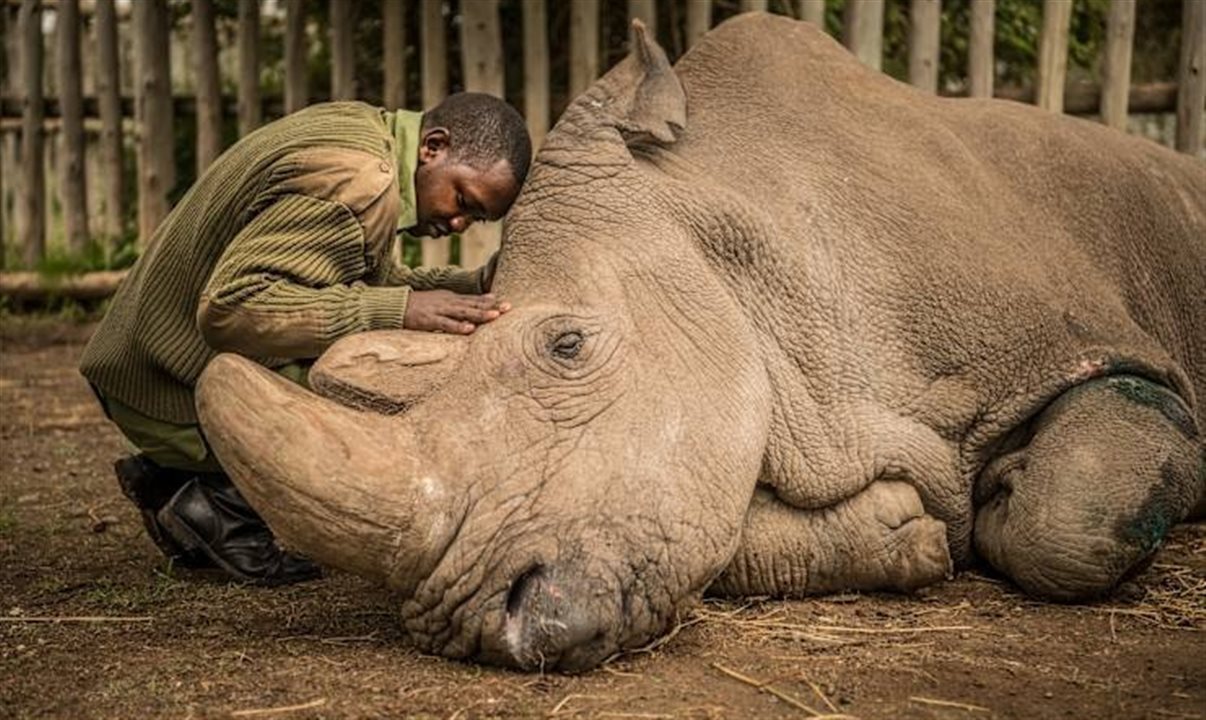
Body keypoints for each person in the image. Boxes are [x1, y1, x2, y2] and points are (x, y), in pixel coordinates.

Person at [79, 93, 532, 586]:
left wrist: (471, 287)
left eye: (477, 218)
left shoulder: (365, 135)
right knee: (383, 384)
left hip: (143, 361)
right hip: (163, 385)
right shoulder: (361, 183)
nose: (459, 223)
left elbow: (359, 281)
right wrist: (399, 311)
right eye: (463, 200)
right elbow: (232, 308)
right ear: (433, 147)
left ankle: (181, 479)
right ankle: (214, 501)